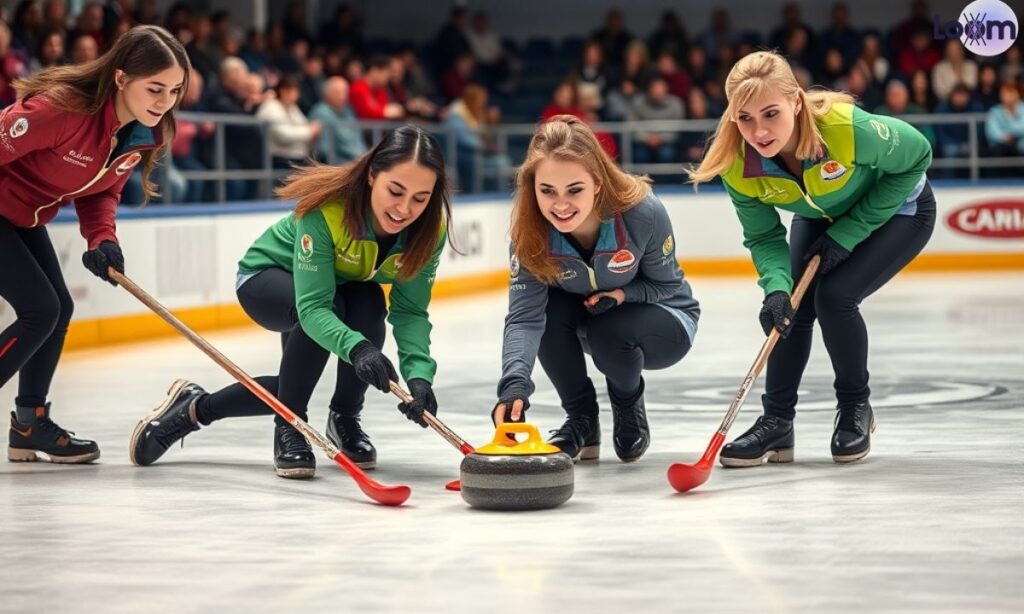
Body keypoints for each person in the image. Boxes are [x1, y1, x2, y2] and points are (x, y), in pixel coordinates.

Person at [130, 126, 453, 479]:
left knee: (369, 305)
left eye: (420, 198)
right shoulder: (328, 210)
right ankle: (277, 421)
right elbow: (314, 307)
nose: (404, 209)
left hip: (338, 288)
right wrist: (359, 350)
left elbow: (410, 311)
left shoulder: (428, 230)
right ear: (373, 174)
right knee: (326, 329)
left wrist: (419, 377)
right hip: (266, 277)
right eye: (396, 191)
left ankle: (344, 418)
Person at [688, 51, 935, 466]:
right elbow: (764, 235)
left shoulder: (845, 130)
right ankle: (777, 423)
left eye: (770, 114)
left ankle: (856, 407)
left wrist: (849, 233)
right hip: (821, 214)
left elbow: (918, 156)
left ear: (796, 102)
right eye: (744, 118)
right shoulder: (735, 164)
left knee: (834, 297)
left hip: (900, 211)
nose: (759, 131)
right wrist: (776, 289)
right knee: (791, 311)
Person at [1, 25, 189, 463]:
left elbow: (100, 191)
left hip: (21, 215)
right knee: (40, 309)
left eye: (176, 91)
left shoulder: (142, 132)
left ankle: (29, 424)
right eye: (155, 89)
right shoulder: (62, 110)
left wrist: (102, 239)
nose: (165, 103)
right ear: (121, 79)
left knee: (57, 309)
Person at [492, 115, 700, 463]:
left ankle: (627, 400)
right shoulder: (530, 234)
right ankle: (582, 420)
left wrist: (624, 295)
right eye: (547, 191)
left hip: (666, 319)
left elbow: (666, 286)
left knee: (609, 330)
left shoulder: (641, 213)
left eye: (575, 190)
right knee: (546, 309)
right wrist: (513, 385)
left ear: (598, 184)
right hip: (587, 318)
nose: (560, 205)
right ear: (533, 187)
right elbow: (524, 319)